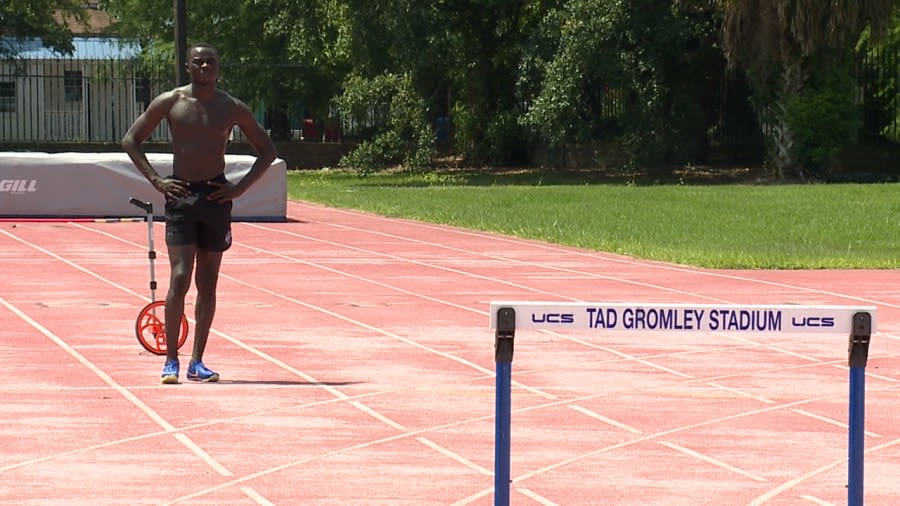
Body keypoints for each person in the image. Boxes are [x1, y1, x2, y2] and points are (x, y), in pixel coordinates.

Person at [122, 42, 277, 384]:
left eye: (211, 61)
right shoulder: (171, 102)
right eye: (199, 62)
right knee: (180, 277)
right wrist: (157, 181)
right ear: (188, 67)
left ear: (219, 66)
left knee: (208, 283)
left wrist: (238, 188)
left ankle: (197, 362)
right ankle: (171, 361)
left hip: (216, 197)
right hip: (181, 195)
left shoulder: (232, 108)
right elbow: (131, 139)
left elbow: (267, 150)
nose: (206, 66)